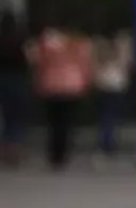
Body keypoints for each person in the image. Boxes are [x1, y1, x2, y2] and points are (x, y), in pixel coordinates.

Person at [29, 20, 92, 170]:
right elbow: (85, 64)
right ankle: (63, 153)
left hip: (51, 85)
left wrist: (37, 81)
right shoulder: (79, 42)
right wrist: (86, 82)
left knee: (53, 122)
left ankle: (54, 154)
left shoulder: (47, 41)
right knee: (67, 122)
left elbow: (40, 63)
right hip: (72, 85)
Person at [91, 27, 132, 158]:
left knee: (105, 114)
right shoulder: (122, 46)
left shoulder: (99, 46)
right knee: (112, 114)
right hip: (116, 83)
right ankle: (109, 140)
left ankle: (106, 139)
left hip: (103, 83)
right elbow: (128, 64)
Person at [0, 9, 29, 167]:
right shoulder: (20, 40)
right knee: (17, 117)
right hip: (17, 80)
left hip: (2, 80)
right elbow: (26, 61)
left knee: (5, 116)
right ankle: (15, 150)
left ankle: (4, 149)